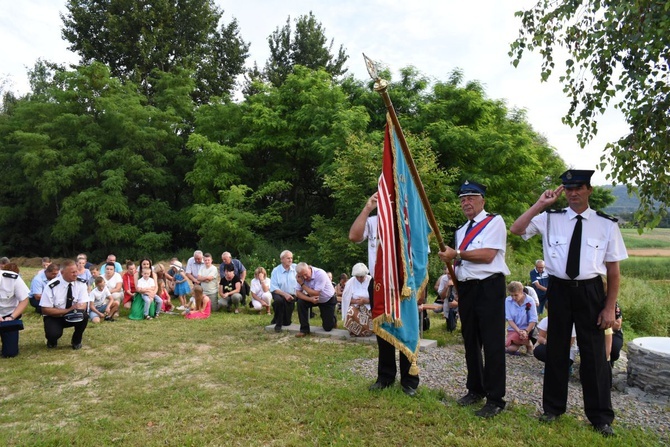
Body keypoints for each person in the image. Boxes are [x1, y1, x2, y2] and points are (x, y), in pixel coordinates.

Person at [510, 169, 628, 437]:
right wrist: (541, 203)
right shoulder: (550, 218)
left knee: (594, 354)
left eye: (579, 188)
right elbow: (516, 229)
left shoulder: (606, 224)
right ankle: (553, 408)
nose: (573, 193)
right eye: (568, 188)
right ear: (564, 191)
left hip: (591, 291)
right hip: (559, 289)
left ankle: (600, 417)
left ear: (589, 190)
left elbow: (613, 271)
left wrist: (609, 307)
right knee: (556, 350)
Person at [437, 180, 510, 418]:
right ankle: (475, 389)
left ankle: (495, 398)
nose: (465, 202)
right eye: (462, 199)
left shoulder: (494, 222)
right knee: (471, 341)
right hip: (467, 289)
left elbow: (488, 255)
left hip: (489, 286)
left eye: (470, 197)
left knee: (492, 343)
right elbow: (462, 261)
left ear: (482, 200)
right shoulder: (461, 230)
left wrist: (456, 253)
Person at [349, 192, 419, 397]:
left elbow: (420, 256)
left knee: (407, 331)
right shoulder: (373, 222)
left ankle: (409, 380)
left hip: (404, 284)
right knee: (382, 331)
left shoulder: (409, 223)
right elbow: (354, 236)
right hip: (378, 283)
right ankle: (386, 377)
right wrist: (367, 207)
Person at [40, 260, 92, 350]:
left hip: (73, 314)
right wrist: (67, 310)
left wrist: (76, 310)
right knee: (53, 334)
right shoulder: (52, 286)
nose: (76, 274)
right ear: (62, 272)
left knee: (84, 316)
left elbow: (83, 304)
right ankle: (52, 341)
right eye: (72, 272)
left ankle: (76, 341)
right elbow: (45, 309)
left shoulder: (81, 283)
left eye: (76, 271)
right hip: (55, 316)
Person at [294, 262, 337, 337]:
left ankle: (333, 319)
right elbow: (298, 293)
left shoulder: (320, 274)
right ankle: (304, 330)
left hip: (327, 299)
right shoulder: (300, 277)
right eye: (302, 276)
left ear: (309, 268)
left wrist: (302, 284)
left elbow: (316, 293)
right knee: (300, 302)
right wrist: (309, 299)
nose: (305, 277)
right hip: (313, 298)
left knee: (327, 328)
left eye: (306, 274)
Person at [0, 264, 30, 357]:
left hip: (8, 317)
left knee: (10, 353)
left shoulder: (12, 278)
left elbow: (24, 300)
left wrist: (12, 317)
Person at [504, 281, 538, 355]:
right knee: (511, 349)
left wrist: (526, 331)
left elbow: (533, 319)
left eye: (516, 295)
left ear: (521, 291)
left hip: (528, 328)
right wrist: (518, 330)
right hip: (514, 328)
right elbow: (509, 319)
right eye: (511, 295)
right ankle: (528, 344)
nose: (513, 298)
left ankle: (528, 343)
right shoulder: (508, 301)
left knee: (519, 338)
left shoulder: (530, 300)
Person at [269, 250, 298, 333]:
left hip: (292, 294)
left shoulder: (296, 268)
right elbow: (274, 287)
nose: (290, 260)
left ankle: (276, 316)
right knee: (279, 301)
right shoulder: (276, 270)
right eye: (288, 258)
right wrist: (285, 295)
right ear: (282, 259)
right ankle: (278, 323)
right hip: (279, 293)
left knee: (287, 323)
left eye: (291, 258)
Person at [605, 301, 624, 368]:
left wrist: (603, 322)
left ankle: (609, 363)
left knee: (614, 351)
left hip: (614, 332)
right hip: (595, 331)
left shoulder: (613, 304)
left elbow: (618, 325)